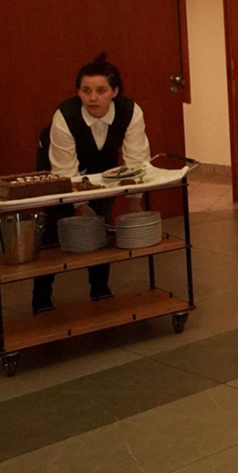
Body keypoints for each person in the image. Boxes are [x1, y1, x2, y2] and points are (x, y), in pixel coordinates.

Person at [34, 52, 148, 314]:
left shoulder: (130, 111)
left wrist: (135, 200)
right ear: (78, 92)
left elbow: (137, 161)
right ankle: (41, 294)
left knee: (100, 223)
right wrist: (81, 205)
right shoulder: (65, 115)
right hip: (58, 166)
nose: (93, 98)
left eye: (101, 90)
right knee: (55, 226)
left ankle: (100, 288)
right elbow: (66, 171)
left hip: (102, 165)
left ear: (115, 92)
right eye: (86, 91)